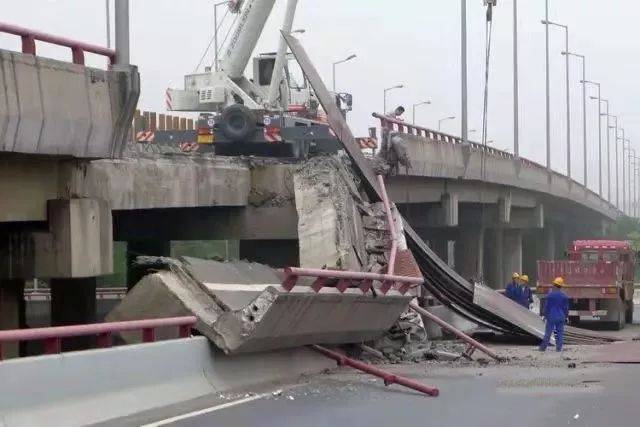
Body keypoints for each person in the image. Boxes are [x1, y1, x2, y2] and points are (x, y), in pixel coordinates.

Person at [539, 277, 569, 352]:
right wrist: (566, 316)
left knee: (548, 333)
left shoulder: (550, 296)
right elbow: (566, 308)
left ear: (554, 285)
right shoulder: (564, 296)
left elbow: (547, 307)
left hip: (551, 317)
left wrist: (544, 316)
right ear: (561, 286)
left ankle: (542, 348)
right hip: (561, 317)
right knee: (560, 334)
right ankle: (558, 349)